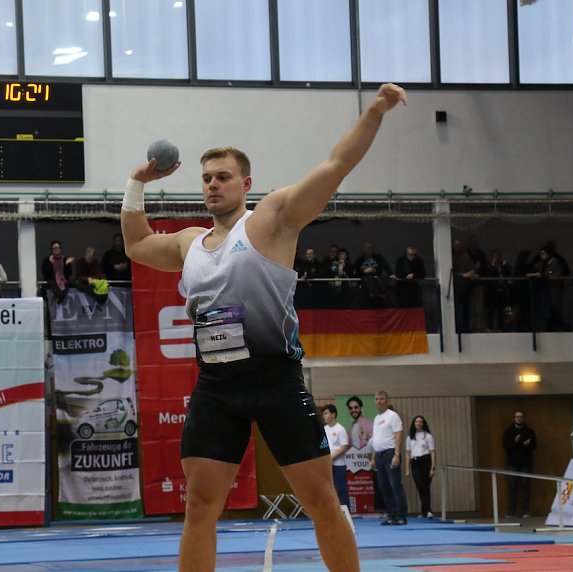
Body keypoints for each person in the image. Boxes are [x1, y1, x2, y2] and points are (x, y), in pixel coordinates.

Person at [120, 82, 407, 572]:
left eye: (223, 177)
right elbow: (136, 245)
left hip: (275, 381)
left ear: (245, 184)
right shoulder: (190, 242)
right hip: (216, 387)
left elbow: (335, 166)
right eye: (207, 178)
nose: (213, 185)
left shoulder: (273, 220)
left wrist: (376, 112)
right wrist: (137, 180)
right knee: (200, 505)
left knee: (320, 500)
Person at [368, 390, 407, 526]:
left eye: (382, 398)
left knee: (395, 485)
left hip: (390, 453)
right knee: (384, 487)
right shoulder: (377, 418)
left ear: (387, 400)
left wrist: (397, 454)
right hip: (379, 455)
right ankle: (392, 515)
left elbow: (399, 435)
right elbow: (375, 440)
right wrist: (373, 458)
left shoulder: (393, 416)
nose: (379, 401)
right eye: (377, 399)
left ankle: (401, 516)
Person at [346, 395, 386, 517]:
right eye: (351, 408)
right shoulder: (352, 426)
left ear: (361, 408)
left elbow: (375, 442)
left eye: (356, 407)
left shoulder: (370, 424)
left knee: (379, 485)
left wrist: (367, 438)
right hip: (357, 468)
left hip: (371, 462)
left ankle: (382, 511)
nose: (354, 410)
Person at [502, 410, 537, 518]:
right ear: (514, 418)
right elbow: (505, 446)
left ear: (524, 418)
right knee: (512, 487)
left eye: (521, 416)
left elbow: (535, 446)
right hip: (512, 463)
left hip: (526, 463)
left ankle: (526, 511)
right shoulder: (508, 431)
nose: (519, 418)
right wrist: (515, 442)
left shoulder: (530, 431)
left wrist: (528, 444)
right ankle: (511, 511)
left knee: (525, 488)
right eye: (517, 416)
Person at [405, 415, 436, 519]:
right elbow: (408, 454)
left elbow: (432, 452)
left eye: (421, 422)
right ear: (414, 423)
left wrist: (432, 467)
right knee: (420, 486)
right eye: (417, 421)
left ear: (423, 424)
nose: (419, 423)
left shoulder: (428, 436)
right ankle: (427, 510)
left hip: (425, 461)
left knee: (426, 487)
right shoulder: (409, 437)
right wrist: (407, 469)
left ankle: (426, 511)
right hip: (415, 462)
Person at [322, 405, 351, 508]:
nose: (324, 416)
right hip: (327, 465)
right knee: (329, 490)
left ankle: (346, 514)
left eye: (326, 413)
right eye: (323, 414)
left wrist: (331, 458)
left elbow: (344, 447)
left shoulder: (340, 429)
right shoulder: (324, 429)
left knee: (341, 489)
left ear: (333, 414)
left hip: (339, 465)